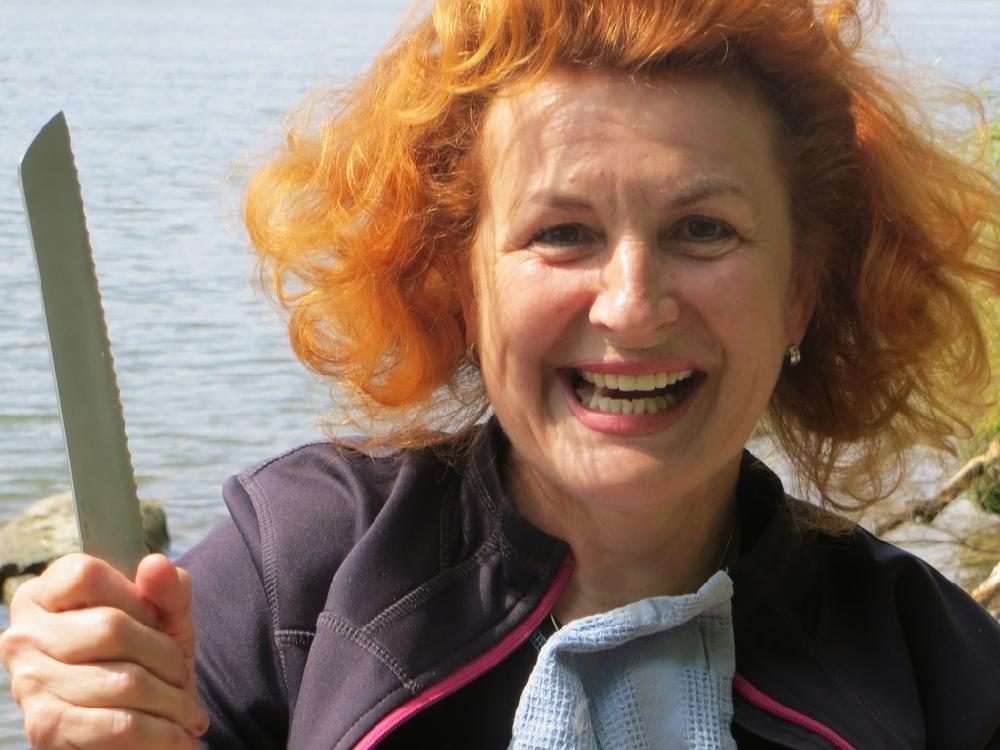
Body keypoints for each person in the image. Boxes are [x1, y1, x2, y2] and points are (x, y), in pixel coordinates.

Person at [3, 0, 1000, 747]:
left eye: (703, 229)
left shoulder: (937, 666)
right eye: (562, 233)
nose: (631, 306)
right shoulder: (294, 577)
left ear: (801, 291)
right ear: (459, 286)